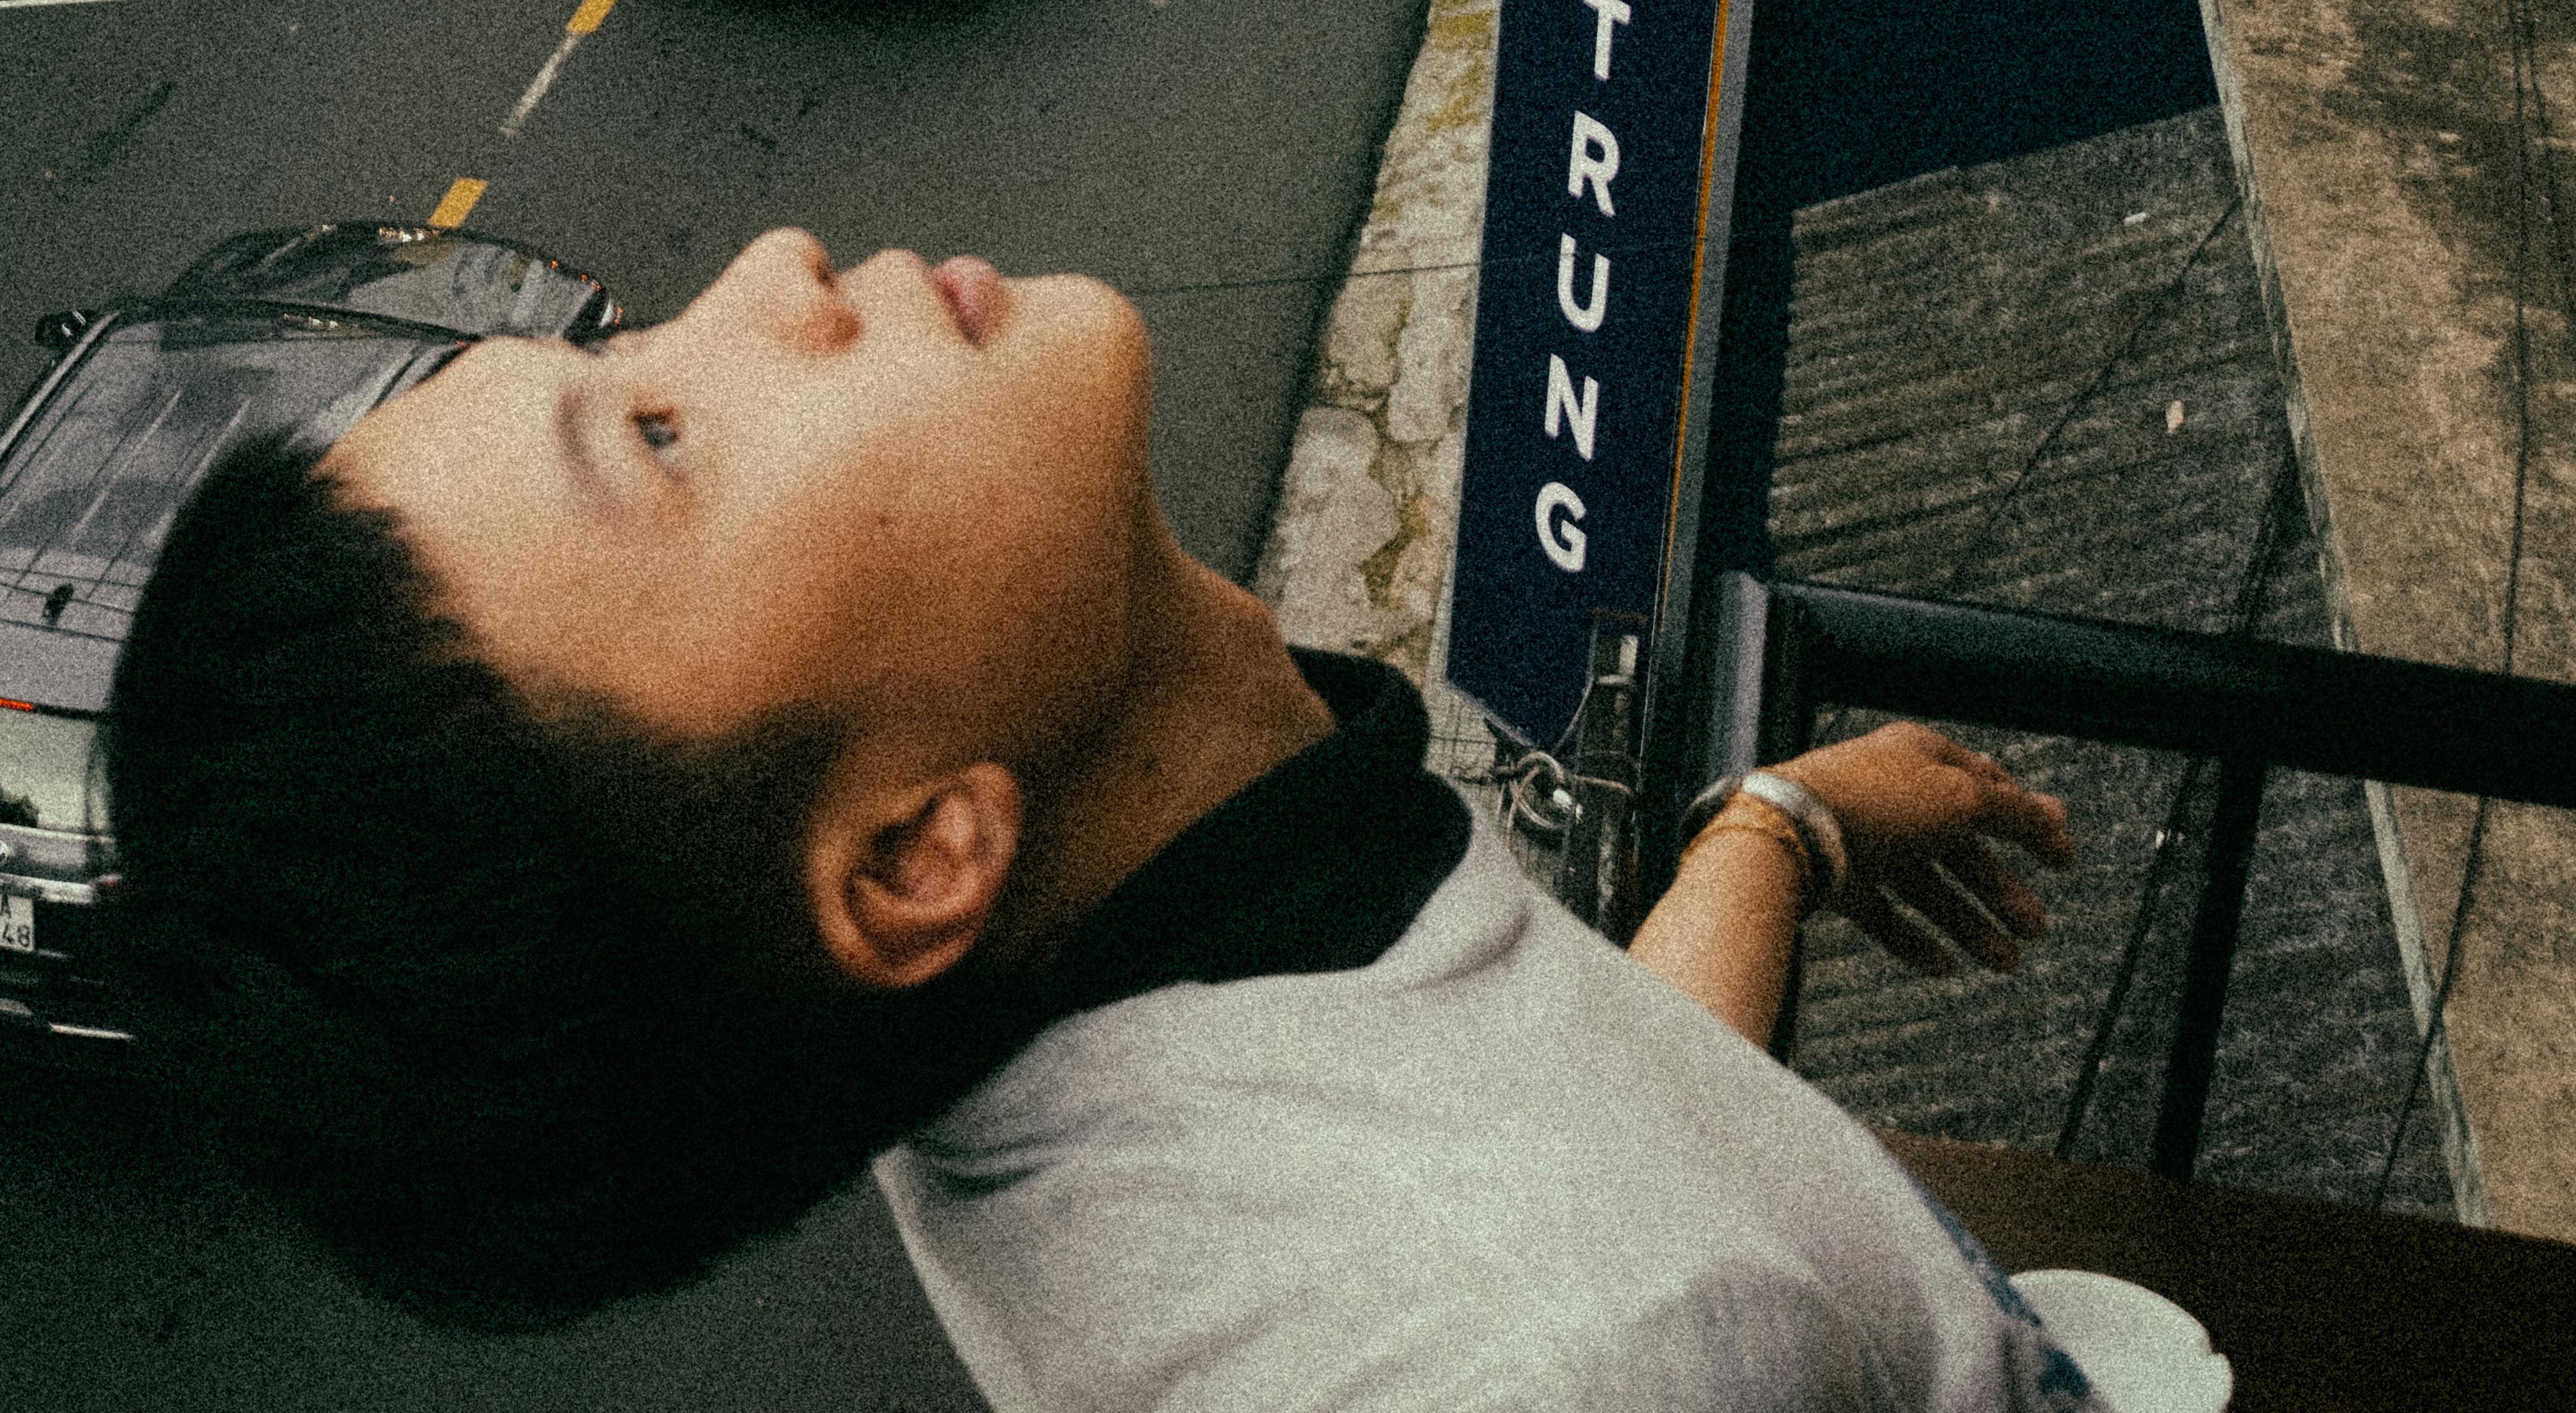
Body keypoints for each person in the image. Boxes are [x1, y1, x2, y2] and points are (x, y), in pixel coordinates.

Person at [107, 227, 2102, 1406]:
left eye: (624, 350)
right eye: (655, 435)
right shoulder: (1572, 1360)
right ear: (907, 859)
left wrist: (1769, 832)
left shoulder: (1098, 989)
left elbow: (1573, 1135)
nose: (762, 280)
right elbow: (1611, 1276)